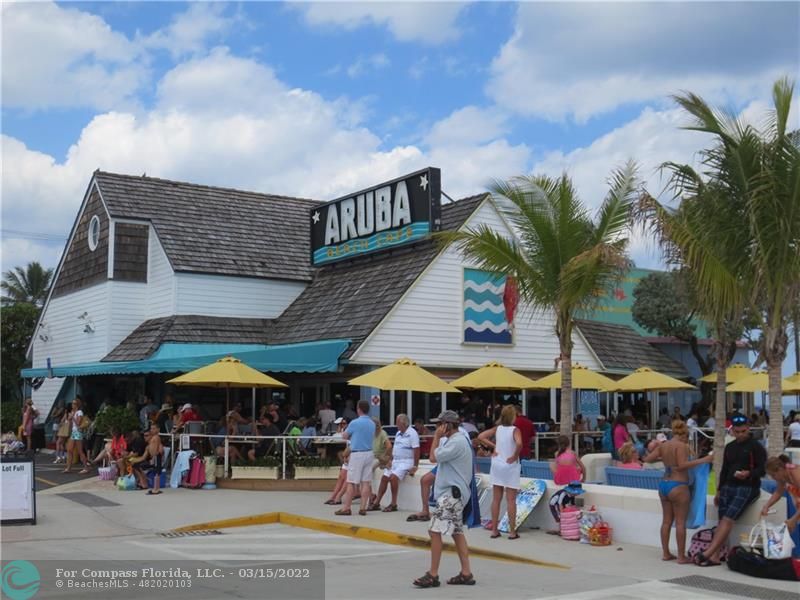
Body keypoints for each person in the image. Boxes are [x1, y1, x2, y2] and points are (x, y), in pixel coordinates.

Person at [694, 414, 767, 567]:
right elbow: (725, 469)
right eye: (737, 431)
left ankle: (707, 553)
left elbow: (763, 468)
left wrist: (749, 474)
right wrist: (719, 490)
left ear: (748, 429)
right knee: (722, 521)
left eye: (743, 431)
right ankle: (714, 556)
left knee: (728, 519)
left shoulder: (756, 446)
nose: (740, 434)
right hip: (728, 485)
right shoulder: (730, 447)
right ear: (732, 430)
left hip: (747, 486)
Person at [413, 410, 475, 588]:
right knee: (456, 532)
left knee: (435, 531)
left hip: (451, 495)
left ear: (447, 425)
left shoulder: (456, 442)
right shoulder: (455, 441)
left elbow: (433, 457)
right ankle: (466, 572)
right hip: (453, 493)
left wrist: (437, 437)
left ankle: (433, 574)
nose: (436, 428)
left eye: (439, 425)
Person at [644, 420, 712, 563]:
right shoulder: (681, 446)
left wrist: (666, 459)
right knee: (680, 522)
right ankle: (681, 557)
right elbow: (682, 465)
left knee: (666, 521)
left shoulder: (664, 445)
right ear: (684, 435)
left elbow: (648, 459)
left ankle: (666, 553)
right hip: (678, 485)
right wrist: (704, 459)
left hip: (664, 484)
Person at [478, 405, 523, 540]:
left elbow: (481, 436)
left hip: (497, 463)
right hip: (510, 465)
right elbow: (519, 443)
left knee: (496, 499)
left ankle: (494, 530)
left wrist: (494, 447)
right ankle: (512, 531)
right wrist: (515, 455)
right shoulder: (515, 430)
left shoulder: (498, 429)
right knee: (511, 500)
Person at [335, 400, 376, 517]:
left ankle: (347, 507)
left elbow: (344, 436)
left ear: (359, 409)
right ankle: (363, 507)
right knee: (366, 482)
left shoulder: (354, 423)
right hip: (369, 452)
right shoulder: (372, 423)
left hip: (357, 453)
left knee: (351, 482)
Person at [371, 414, 418, 512]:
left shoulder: (412, 433)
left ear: (404, 423)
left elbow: (416, 450)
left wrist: (415, 466)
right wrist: (390, 460)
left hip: (406, 461)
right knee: (384, 478)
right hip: (396, 461)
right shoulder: (398, 433)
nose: (396, 425)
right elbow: (395, 449)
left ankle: (393, 504)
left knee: (393, 478)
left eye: (397, 422)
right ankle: (377, 503)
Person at [63, 397, 88, 473]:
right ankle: (68, 467)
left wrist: (72, 417)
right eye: (72, 403)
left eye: (74, 403)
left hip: (78, 432)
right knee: (69, 450)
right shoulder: (73, 412)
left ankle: (86, 468)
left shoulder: (79, 412)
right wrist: (70, 418)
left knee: (80, 451)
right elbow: (71, 424)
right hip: (74, 432)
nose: (72, 405)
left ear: (77, 405)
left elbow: (78, 423)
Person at [141, 424, 165, 495]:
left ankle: (156, 489)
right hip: (154, 457)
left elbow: (158, 447)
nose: (152, 430)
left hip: (156, 456)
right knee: (155, 472)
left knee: (157, 472)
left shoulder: (157, 437)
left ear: (158, 430)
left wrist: (155, 456)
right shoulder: (153, 438)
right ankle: (155, 488)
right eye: (151, 429)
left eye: (154, 429)